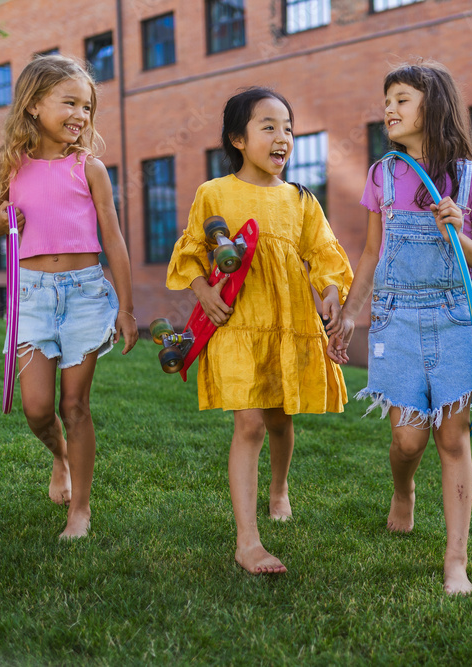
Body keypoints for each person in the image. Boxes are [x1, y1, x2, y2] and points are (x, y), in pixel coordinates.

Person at [327, 61, 472, 595]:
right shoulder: (383, 174)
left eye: (402, 99)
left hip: (455, 318)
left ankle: (456, 561)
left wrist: (460, 229)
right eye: (387, 100)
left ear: (434, 105)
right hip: (397, 318)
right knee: (407, 439)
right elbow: (371, 251)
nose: (390, 109)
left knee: (452, 437)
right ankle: (403, 489)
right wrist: (352, 314)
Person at [166, 87, 353, 575]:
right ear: (237, 138)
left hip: (287, 322)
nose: (282, 137)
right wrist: (204, 289)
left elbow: (325, 255)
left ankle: (279, 487)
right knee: (248, 422)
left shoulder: (301, 200)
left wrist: (331, 292)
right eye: (268, 126)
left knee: (279, 419)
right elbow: (190, 250)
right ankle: (247, 541)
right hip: (236, 322)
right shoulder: (215, 192)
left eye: (289, 128)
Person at [0, 55, 138, 539]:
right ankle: (60, 455)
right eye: (69, 102)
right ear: (32, 105)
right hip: (30, 295)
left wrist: (127, 310)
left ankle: (81, 511)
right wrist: (3, 215)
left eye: (87, 106)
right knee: (36, 409)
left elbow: (112, 238)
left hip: (86, 293)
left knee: (75, 405)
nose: (81, 115)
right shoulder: (13, 165)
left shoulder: (89, 167)